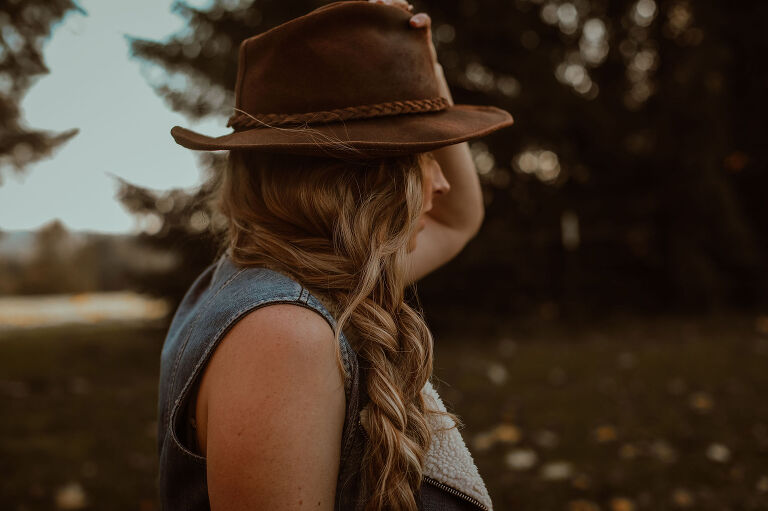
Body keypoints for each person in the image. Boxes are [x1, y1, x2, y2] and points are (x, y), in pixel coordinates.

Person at [156, 1, 514, 510]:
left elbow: (457, 219)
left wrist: (427, 79)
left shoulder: (298, 277)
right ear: (358, 183)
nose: (442, 182)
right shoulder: (284, 333)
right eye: (423, 158)